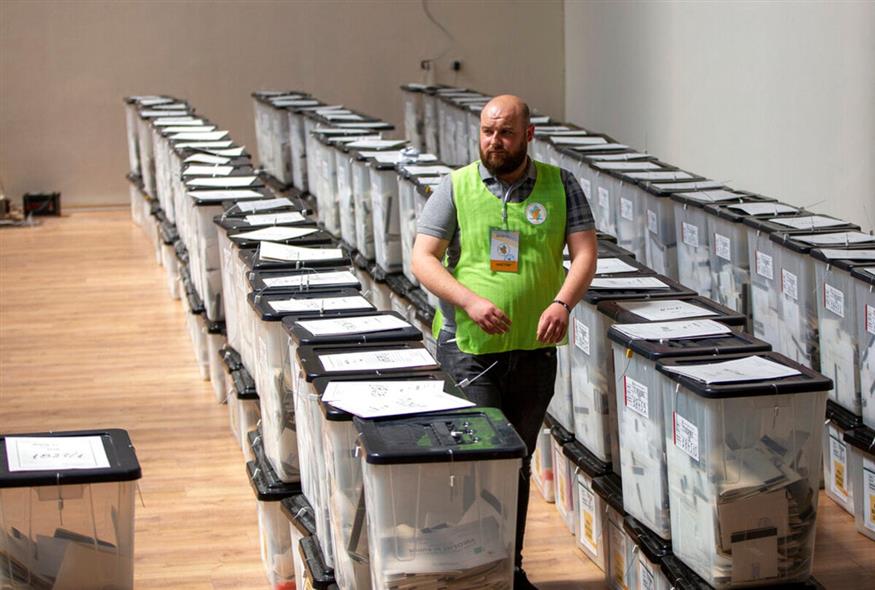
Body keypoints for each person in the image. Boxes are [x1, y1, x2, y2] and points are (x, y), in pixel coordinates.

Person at [412, 94, 598, 589]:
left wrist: (562, 303)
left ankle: (507, 570)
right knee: (475, 465)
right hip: (469, 351)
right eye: (488, 132)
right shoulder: (455, 187)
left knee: (514, 463)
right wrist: (470, 301)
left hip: (534, 353)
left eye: (506, 133)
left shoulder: (563, 186)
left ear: (529, 135)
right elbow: (423, 259)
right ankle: (466, 571)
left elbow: (584, 255)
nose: (495, 142)